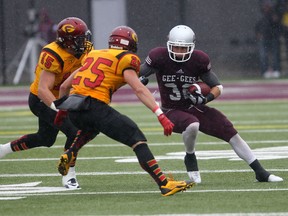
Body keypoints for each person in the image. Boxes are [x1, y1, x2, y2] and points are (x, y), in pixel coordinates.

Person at [54, 26, 195, 196]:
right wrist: (160, 115)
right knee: (137, 139)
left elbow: (64, 86)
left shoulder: (93, 54)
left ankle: (70, 153)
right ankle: (165, 184)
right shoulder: (126, 58)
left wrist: (62, 111)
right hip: (95, 106)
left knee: (91, 128)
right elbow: (139, 89)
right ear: (131, 43)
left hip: (75, 108)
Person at [139, 24, 284, 184]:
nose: (179, 52)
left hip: (193, 106)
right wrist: (141, 79)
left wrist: (205, 99)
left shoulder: (199, 59)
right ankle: (190, 156)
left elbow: (218, 87)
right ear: (168, 44)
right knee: (193, 125)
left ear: (192, 46)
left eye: (183, 48)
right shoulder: (159, 56)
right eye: (176, 47)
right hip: (170, 109)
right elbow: (137, 73)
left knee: (230, 132)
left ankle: (260, 172)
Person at [0, 17, 96, 189]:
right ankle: (68, 175)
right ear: (68, 41)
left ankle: (3, 149)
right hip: (41, 99)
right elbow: (43, 90)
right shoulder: (52, 54)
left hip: (64, 96)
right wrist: (60, 109)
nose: (85, 42)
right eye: (80, 39)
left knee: (45, 139)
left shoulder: (86, 49)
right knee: (74, 132)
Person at [255, 0, 282, 78]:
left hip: (273, 37)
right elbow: (257, 25)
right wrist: (258, 33)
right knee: (263, 55)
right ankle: (265, 71)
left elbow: (277, 25)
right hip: (264, 37)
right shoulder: (260, 15)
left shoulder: (274, 14)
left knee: (275, 54)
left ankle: (276, 70)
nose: (266, 7)